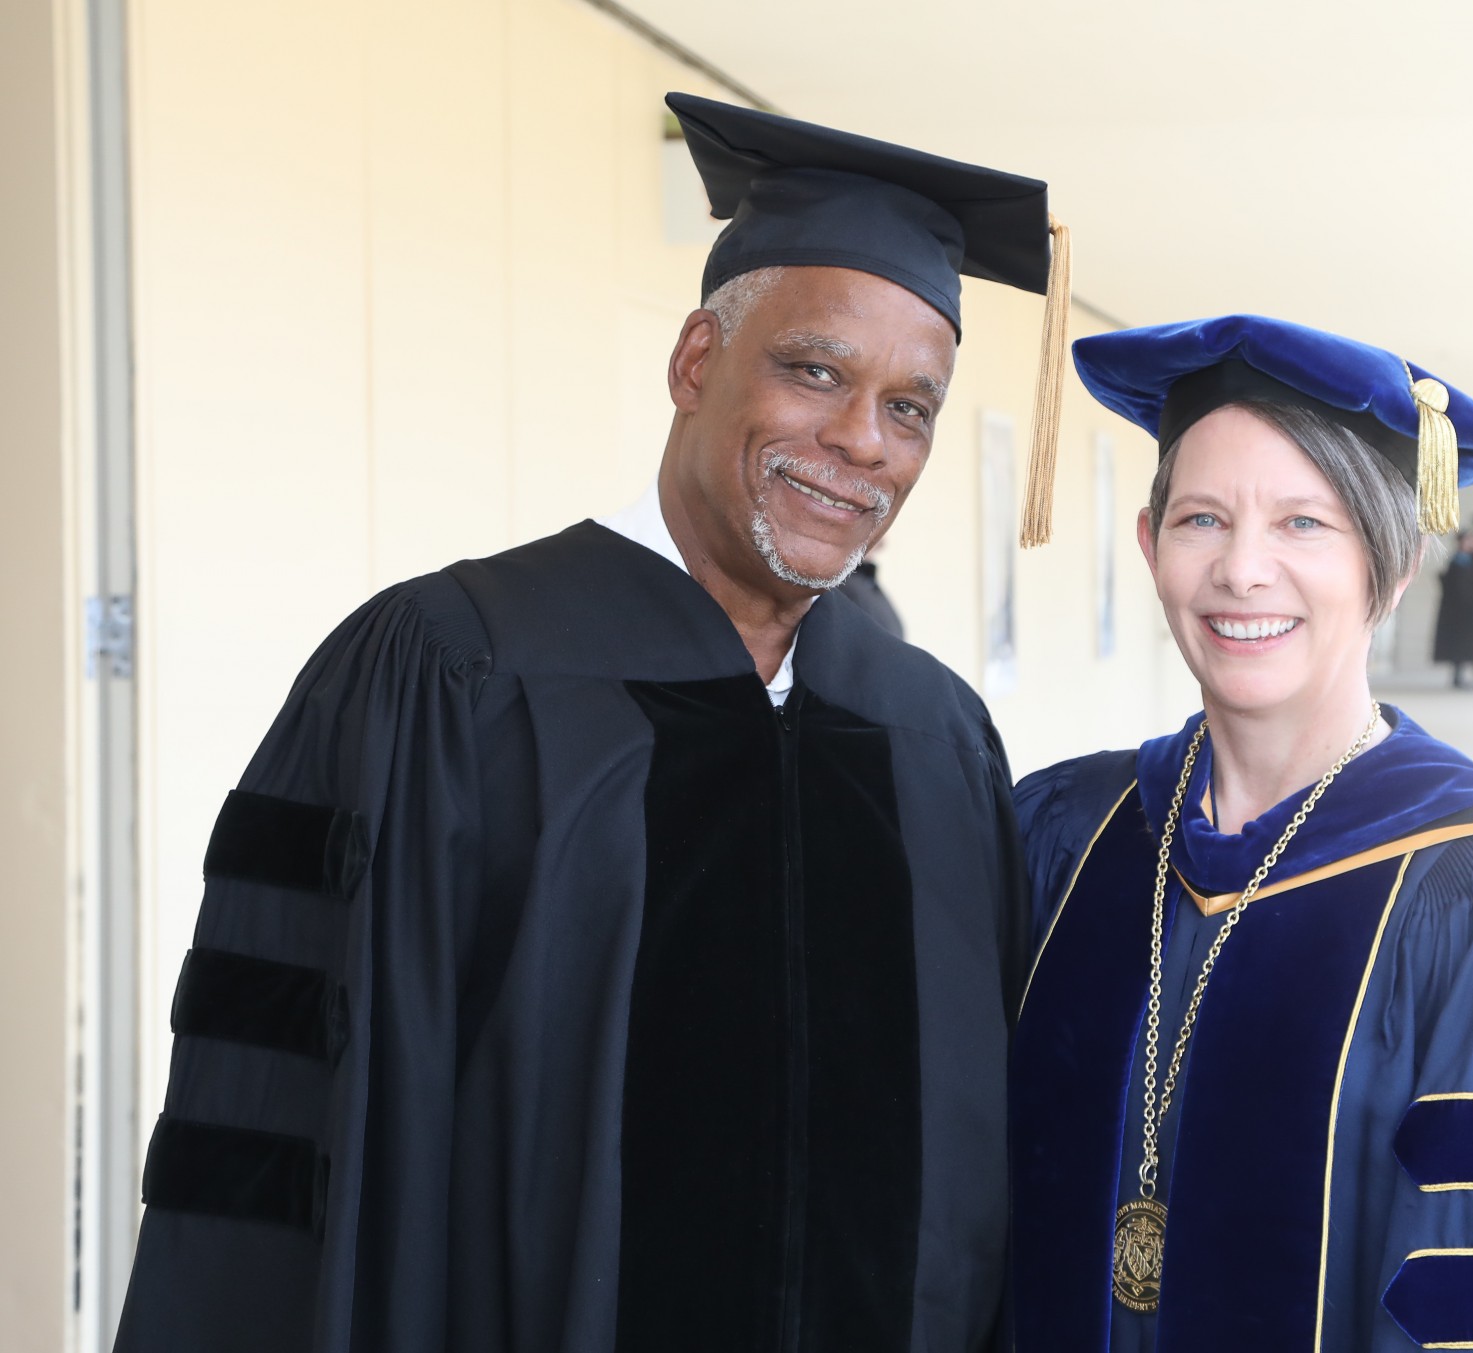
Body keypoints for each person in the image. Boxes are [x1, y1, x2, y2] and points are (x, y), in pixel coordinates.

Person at [114, 94, 1060, 1353]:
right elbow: (283, 1122)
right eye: (813, 370)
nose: (857, 441)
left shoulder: (931, 740)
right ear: (694, 362)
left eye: (910, 407)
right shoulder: (449, 674)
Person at [1008, 315, 1473, 1351]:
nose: (1242, 571)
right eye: (1202, 519)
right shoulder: (1067, 836)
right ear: (1148, 544)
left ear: (1391, 569)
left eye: (1304, 524)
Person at [1430, 528, 1473, 688]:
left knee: (1463, 645)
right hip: (1458, 612)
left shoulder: (1468, 560)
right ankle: (1458, 675)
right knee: (1459, 645)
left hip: (1463, 611)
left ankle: (1461, 674)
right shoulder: (1458, 562)